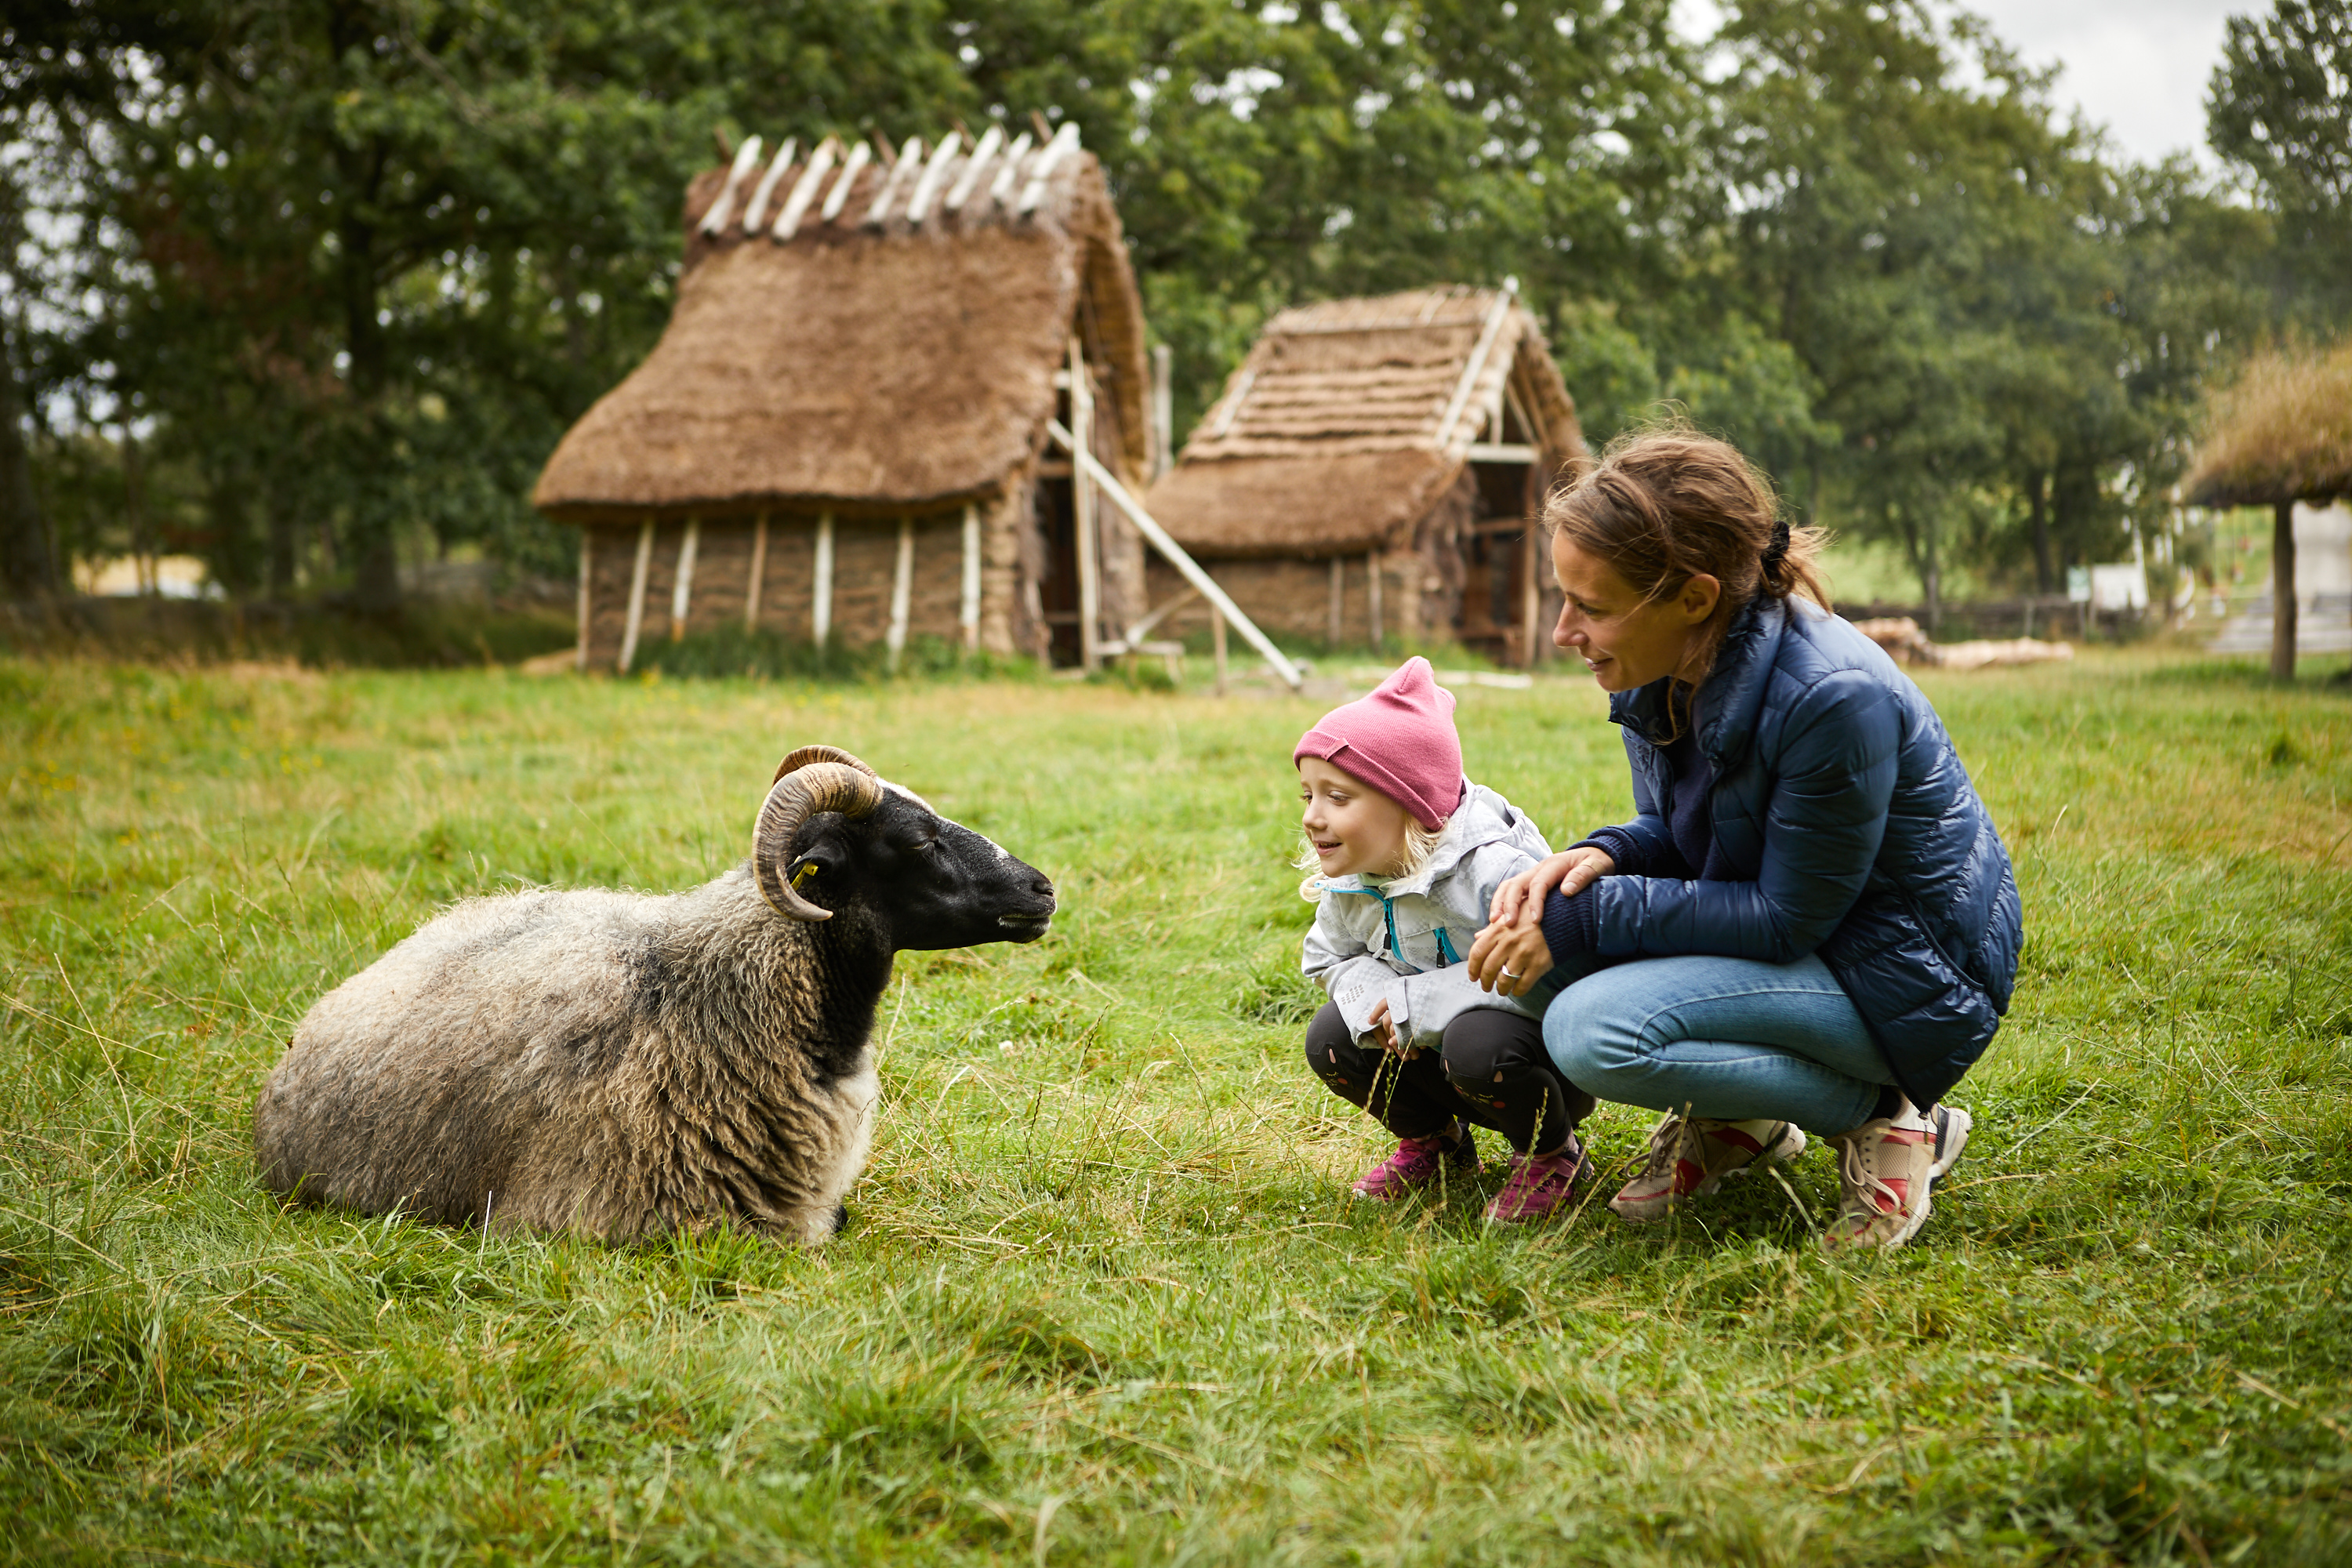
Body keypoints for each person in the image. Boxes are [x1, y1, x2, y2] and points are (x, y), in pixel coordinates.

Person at [1468, 430, 2022, 1250]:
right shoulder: (1661, 671)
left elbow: (1786, 918)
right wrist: (1608, 853)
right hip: (1807, 947)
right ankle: (1742, 1119)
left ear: (1694, 599)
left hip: (1904, 980)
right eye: (1564, 598)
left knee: (1591, 1031)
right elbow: (1687, 832)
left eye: (1593, 607)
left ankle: (1890, 1116)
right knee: (1531, 952)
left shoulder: (1832, 698)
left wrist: (1592, 915)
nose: (1562, 631)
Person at [1295, 658, 1599, 1222]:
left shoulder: (1494, 874)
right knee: (1332, 1037)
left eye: (1337, 798)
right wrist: (1378, 1002)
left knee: (1476, 1042)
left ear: (1408, 801)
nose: (1313, 817)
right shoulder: (1354, 877)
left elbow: (1543, 980)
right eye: (1307, 796)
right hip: (1428, 1054)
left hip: (1533, 1060)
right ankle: (1437, 1144)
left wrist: (1417, 1004)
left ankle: (1552, 1154)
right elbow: (1328, 956)